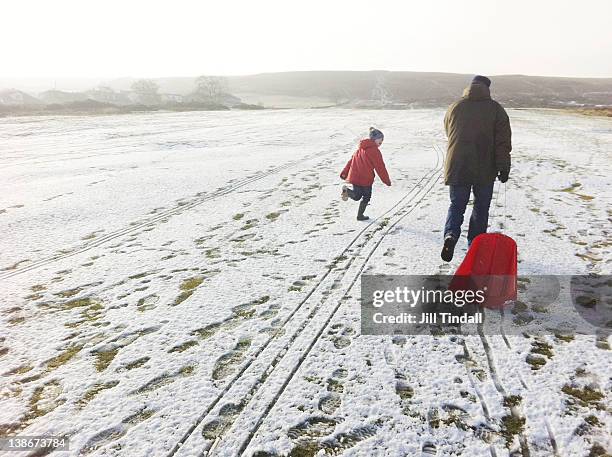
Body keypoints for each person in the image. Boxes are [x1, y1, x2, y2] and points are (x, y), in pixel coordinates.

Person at [441, 75, 512, 262]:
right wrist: (503, 167)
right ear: (488, 88)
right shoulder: (496, 109)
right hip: (484, 167)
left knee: (457, 205)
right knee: (481, 208)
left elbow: (449, 132)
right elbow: (502, 142)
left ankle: (450, 236)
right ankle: (475, 245)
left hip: (457, 165)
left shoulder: (455, 107)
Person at [340, 127, 391, 221]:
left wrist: (344, 173)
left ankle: (347, 191)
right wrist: (386, 180)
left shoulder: (359, 149)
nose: (382, 141)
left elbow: (350, 162)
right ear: (374, 139)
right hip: (366, 179)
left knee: (357, 196)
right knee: (366, 196)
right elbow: (380, 167)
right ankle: (360, 216)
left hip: (355, 177)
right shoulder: (374, 151)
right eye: (380, 139)